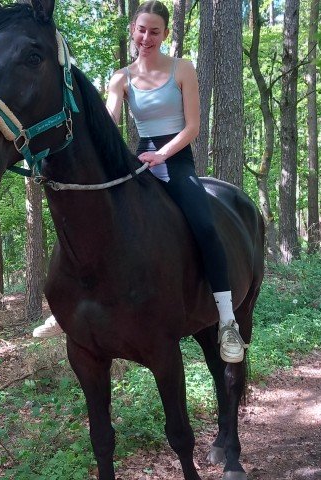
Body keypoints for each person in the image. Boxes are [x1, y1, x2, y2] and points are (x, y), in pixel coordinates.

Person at [35, 0, 246, 363]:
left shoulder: (183, 69)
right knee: (94, 220)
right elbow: (108, 119)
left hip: (175, 161)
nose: (147, 37)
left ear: (165, 34)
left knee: (205, 226)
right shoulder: (121, 77)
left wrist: (163, 155)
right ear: (133, 29)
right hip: (139, 161)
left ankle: (226, 319)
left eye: (155, 31)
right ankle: (72, 304)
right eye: (142, 29)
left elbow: (192, 127)